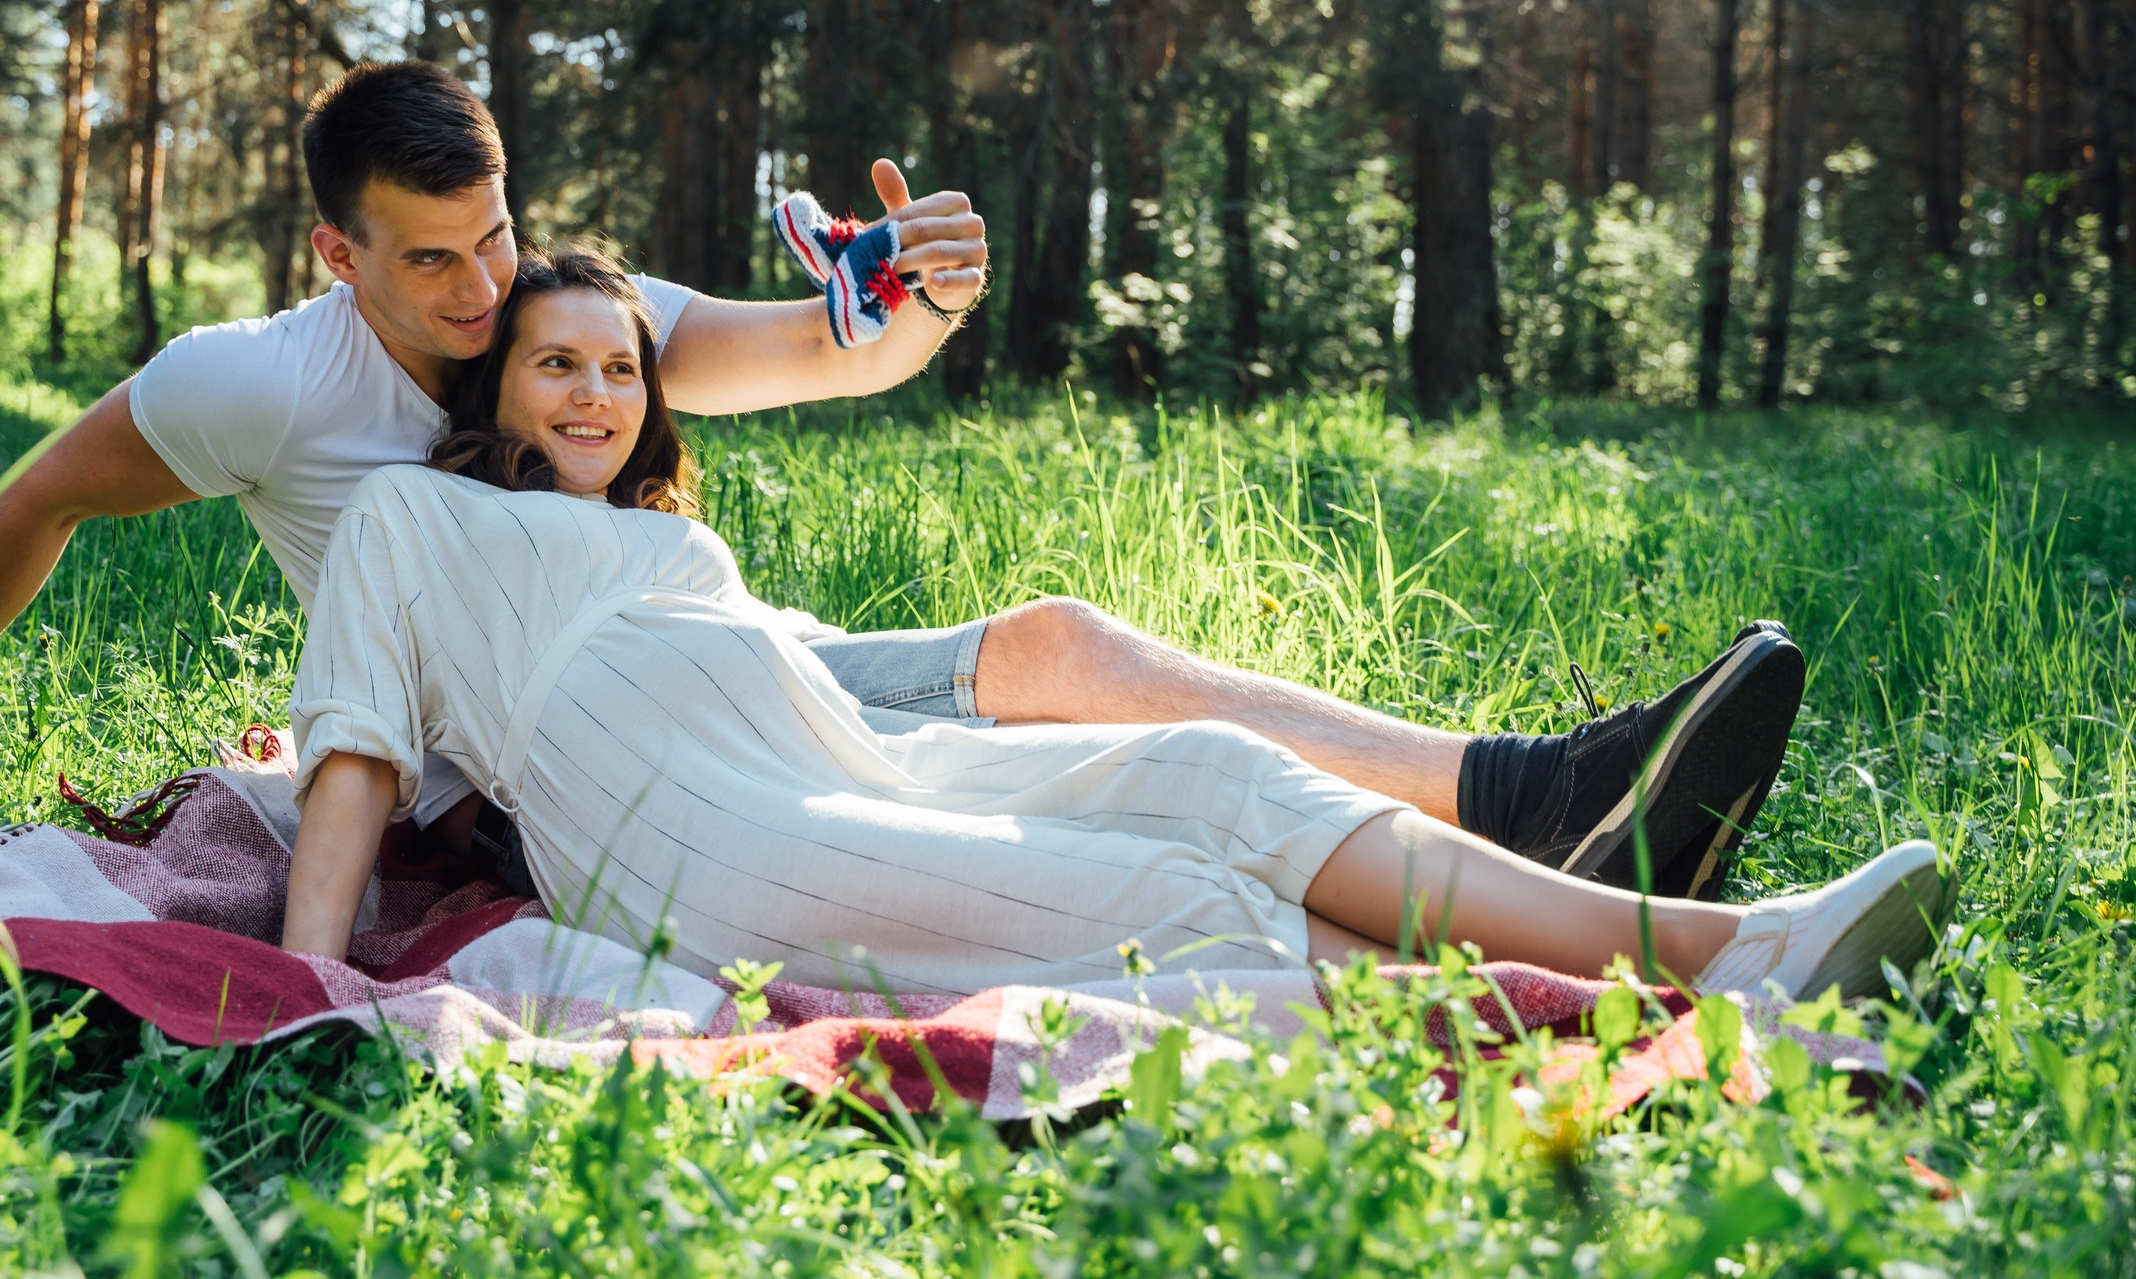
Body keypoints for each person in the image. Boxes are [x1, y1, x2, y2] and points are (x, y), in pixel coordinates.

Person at [0, 59, 1801, 903]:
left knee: (1050, 634)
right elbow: (20, 508)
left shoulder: (563, 317)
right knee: (1055, 722)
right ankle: (1540, 831)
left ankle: (1541, 793)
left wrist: (914, 304)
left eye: (497, 233)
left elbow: (812, 344)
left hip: (704, 657)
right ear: (332, 256)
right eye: (427, 260)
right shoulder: (250, 388)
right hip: (561, 761)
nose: (479, 292)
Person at [278, 249, 1953, 1004]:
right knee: (1152, 897)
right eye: (555, 360)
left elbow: (840, 402)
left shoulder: (663, 539)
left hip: (855, 762)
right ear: (494, 382)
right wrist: (305, 977)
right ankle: (1712, 975)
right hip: (695, 838)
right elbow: (353, 750)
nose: (591, 389)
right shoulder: (416, 519)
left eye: (620, 364)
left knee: (1217, 779)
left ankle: (1719, 954)